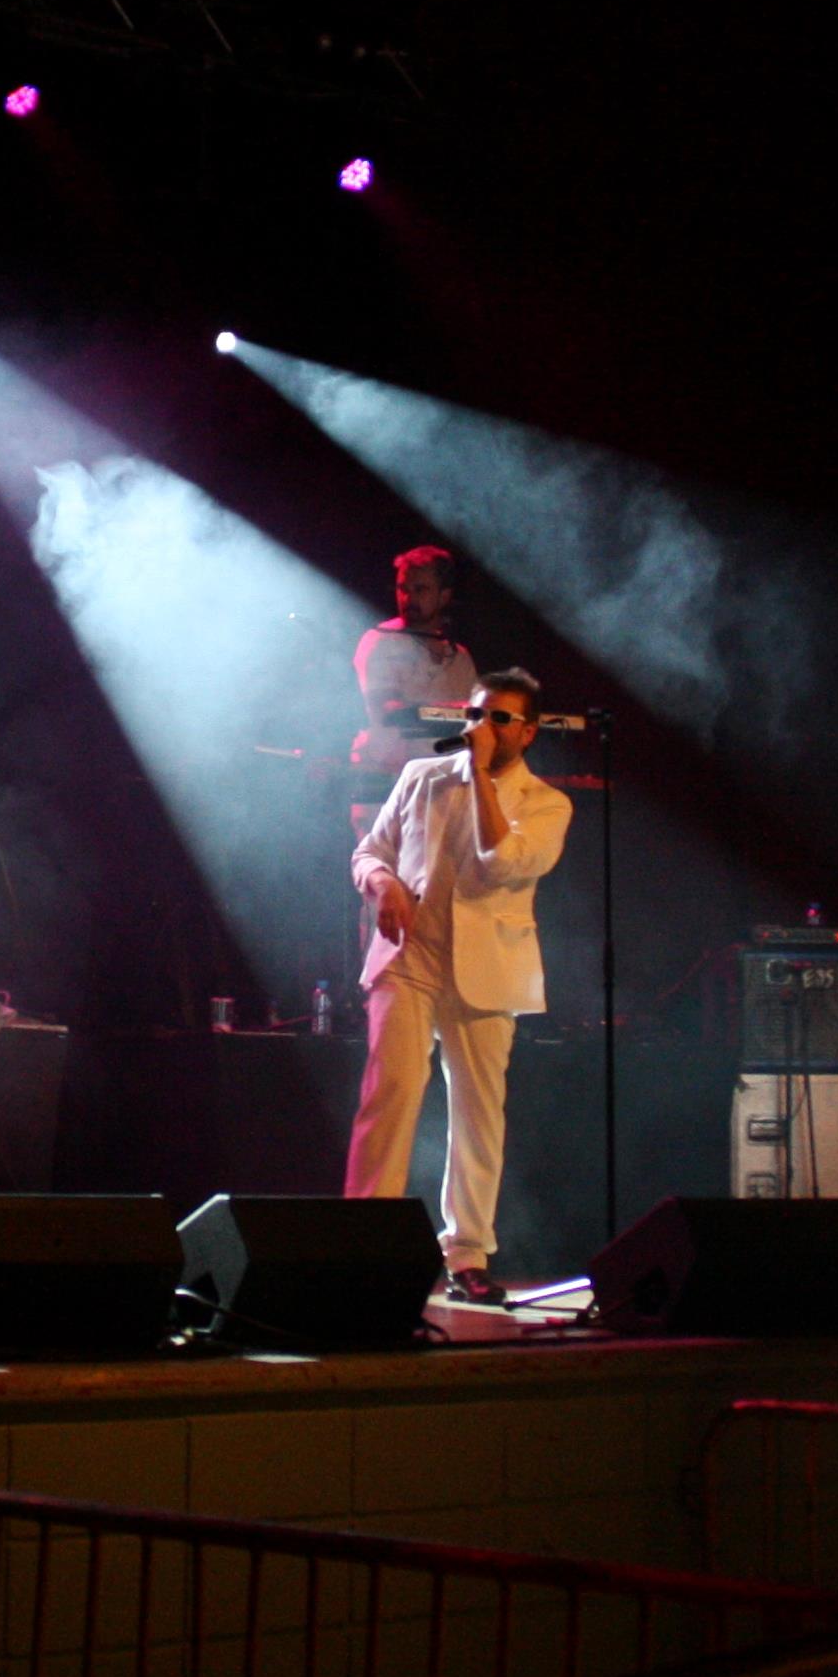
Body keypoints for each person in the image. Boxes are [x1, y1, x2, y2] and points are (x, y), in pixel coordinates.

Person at [342, 668, 572, 1305]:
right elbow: (370, 851)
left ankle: (466, 1254)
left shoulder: (548, 804)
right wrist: (382, 884)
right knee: (389, 1091)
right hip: (410, 955)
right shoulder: (421, 777)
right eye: (477, 715)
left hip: (488, 969)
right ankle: (362, 1241)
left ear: (526, 732)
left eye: (501, 719)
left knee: (477, 1112)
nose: (484, 729)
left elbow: (505, 863)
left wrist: (480, 782)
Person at [348, 545, 477, 802]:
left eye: (420, 590)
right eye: (403, 589)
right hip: (387, 785)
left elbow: (474, 723)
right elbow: (388, 710)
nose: (408, 599)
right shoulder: (380, 641)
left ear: (444, 596)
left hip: (444, 787)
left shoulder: (460, 657)